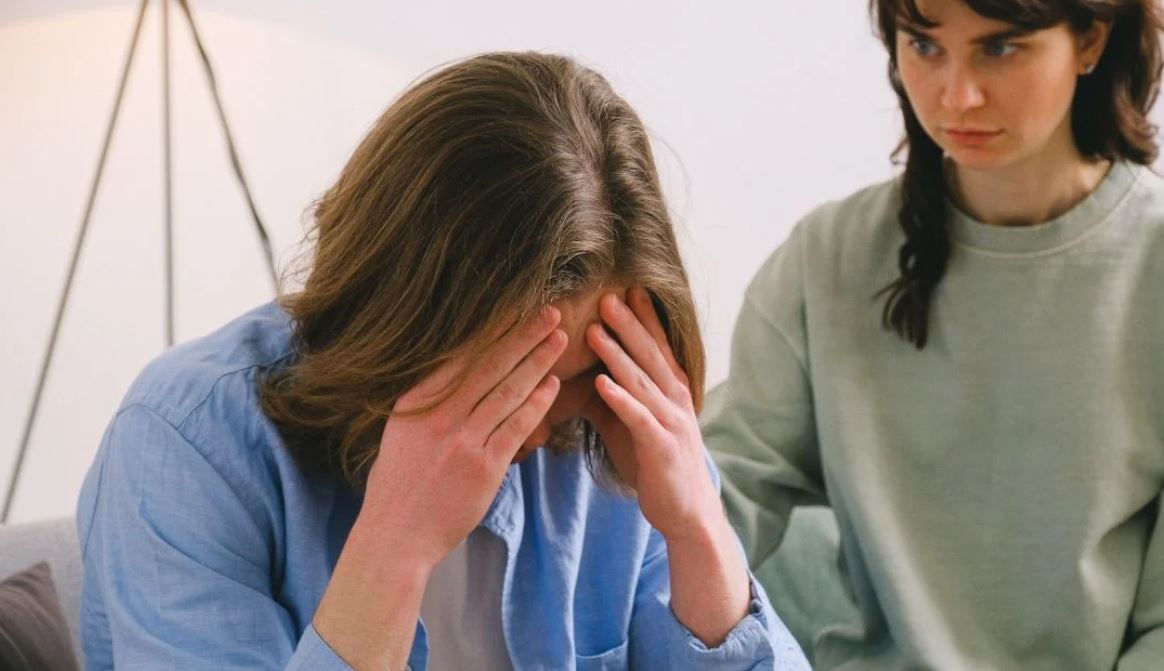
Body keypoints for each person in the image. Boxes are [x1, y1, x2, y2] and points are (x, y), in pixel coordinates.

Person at [76, 52, 808, 670]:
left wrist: (699, 531)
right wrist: (395, 542)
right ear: (397, 317)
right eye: (507, 379)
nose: (535, 427)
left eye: (576, 379)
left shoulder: (616, 434)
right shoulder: (185, 444)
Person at [703, 0, 1164, 668]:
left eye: (999, 48)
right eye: (924, 46)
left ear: (1090, 40)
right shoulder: (826, 259)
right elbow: (714, 504)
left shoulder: (1151, 268)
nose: (957, 96)